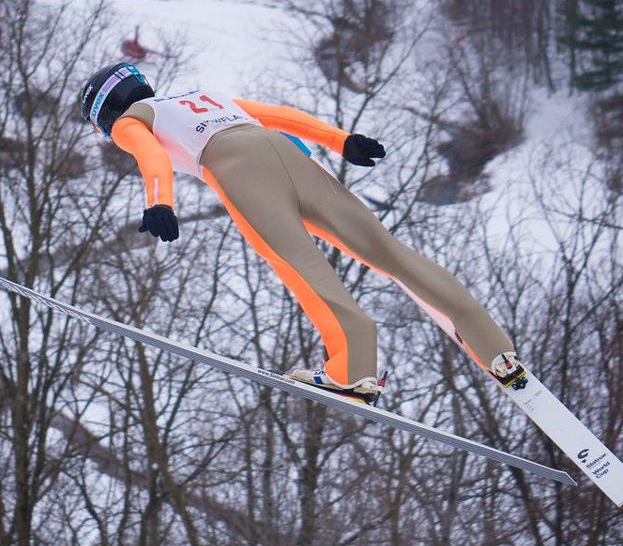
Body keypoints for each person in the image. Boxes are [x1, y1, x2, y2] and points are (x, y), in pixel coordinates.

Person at [78, 63, 525, 402]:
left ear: (105, 111)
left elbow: (150, 158)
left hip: (239, 170)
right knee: (389, 252)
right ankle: (493, 344)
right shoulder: (203, 97)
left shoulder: (129, 123)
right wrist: (343, 140)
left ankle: (353, 367)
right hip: (290, 157)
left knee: (300, 264)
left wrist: (160, 202)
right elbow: (281, 116)